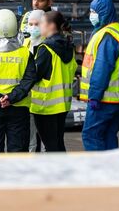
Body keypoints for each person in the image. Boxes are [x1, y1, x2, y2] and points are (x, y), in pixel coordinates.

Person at [0, 9, 36, 153]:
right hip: (19, 108)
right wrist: (11, 98)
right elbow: (29, 80)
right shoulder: (25, 53)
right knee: (18, 152)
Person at [80, 0, 119, 151]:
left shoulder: (108, 36)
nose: (91, 15)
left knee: (91, 135)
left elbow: (102, 68)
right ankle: (112, 171)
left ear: (103, 13)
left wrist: (94, 95)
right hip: (114, 99)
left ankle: (98, 172)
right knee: (108, 136)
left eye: (94, 11)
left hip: (103, 99)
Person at [29, 11, 77, 152]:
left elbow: (34, 75)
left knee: (51, 147)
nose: (39, 27)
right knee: (57, 144)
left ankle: (56, 173)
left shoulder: (46, 49)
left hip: (45, 106)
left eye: (41, 23)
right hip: (62, 104)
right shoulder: (68, 45)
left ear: (50, 26)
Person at [21, 8, 45, 152]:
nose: (33, 28)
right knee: (29, 138)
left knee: (44, 138)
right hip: (28, 98)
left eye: (36, 24)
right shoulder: (25, 43)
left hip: (44, 99)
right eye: (30, 24)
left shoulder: (47, 45)